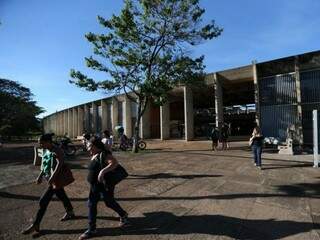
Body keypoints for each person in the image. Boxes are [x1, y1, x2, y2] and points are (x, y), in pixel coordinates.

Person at [22, 133, 75, 235]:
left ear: (48, 142)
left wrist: (52, 178)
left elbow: (59, 165)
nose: (40, 145)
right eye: (39, 144)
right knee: (61, 195)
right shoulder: (46, 149)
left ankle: (36, 224)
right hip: (50, 178)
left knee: (43, 202)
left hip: (56, 179)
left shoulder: (57, 150)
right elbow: (45, 163)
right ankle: (70, 212)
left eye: (42, 143)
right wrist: (40, 175)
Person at [79, 136, 129, 240]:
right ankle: (92, 228)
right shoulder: (95, 154)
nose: (88, 148)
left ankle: (123, 214)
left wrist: (102, 172)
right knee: (91, 204)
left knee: (109, 202)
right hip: (95, 186)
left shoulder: (104, 154)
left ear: (96, 146)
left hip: (104, 185)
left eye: (89, 146)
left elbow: (114, 163)